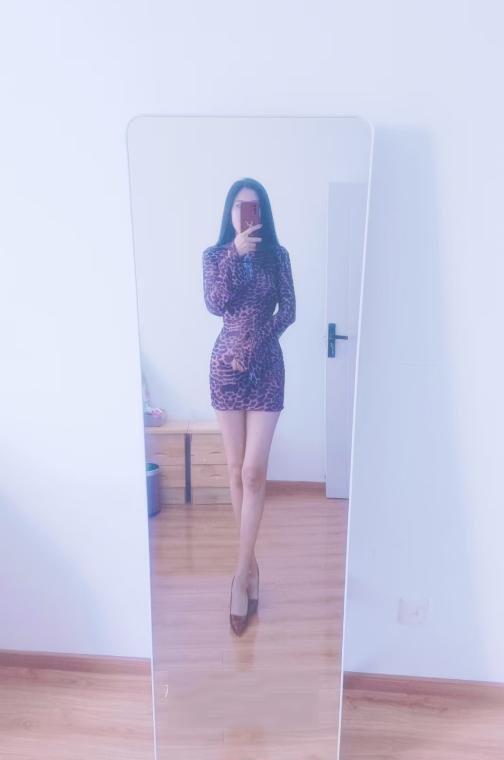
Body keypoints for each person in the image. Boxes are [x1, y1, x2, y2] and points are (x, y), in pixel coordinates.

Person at [202, 177, 296, 635]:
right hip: (225, 368)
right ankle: (251, 568)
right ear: (230, 212)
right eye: (239, 207)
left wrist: (255, 344)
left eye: (253, 207)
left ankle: (240, 576)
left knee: (254, 472)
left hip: (266, 368)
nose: (246, 214)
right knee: (235, 468)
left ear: (264, 213)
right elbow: (214, 303)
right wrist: (234, 255)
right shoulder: (214, 256)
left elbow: (288, 312)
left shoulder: (278, 256)